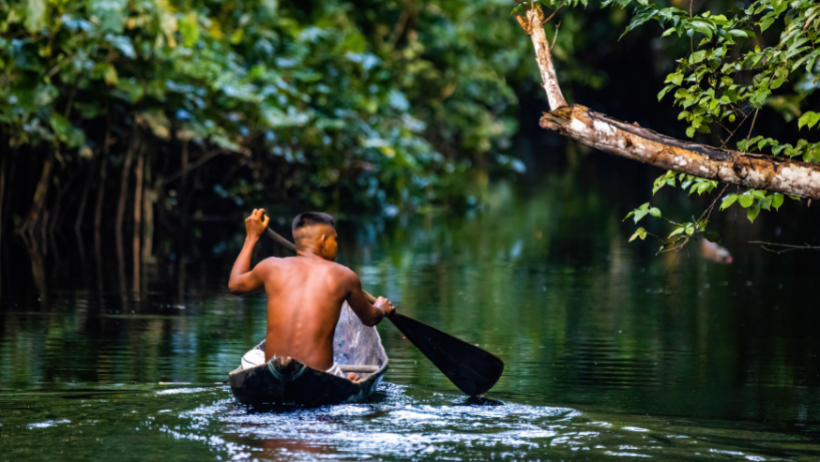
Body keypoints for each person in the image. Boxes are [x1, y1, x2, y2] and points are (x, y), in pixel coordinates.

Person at [228, 209, 395, 381]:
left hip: (274, 372)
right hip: (321, 376)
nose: (336, 244)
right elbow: (369, 318)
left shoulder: (271, 266)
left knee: (254, 357)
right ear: (323, 241)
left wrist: (251, 237)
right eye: (335, 239)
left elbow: (235, 285)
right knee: (338, 376)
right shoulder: (345, 276)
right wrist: (381, 308)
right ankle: (344, 381)